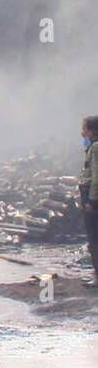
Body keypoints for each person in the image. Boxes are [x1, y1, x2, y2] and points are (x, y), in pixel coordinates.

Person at [82, 116, 98, 286]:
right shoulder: (91, 146)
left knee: (94, 238)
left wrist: (92, 201)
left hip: (94, 198)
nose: (82, 132)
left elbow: (96, 176)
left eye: (84, 128)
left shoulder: (96, 147)